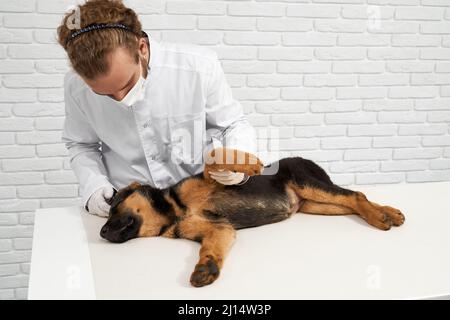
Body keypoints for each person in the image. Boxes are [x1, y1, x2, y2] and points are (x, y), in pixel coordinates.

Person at [57, 0, 257, 217]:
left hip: (199, 201)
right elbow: (81, 144)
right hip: (131, 209)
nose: (121, 99)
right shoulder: (76, 87)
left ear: (141, 48)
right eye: (104, 93)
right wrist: (93, 186)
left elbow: (233, 124)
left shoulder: (199, 67)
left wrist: (238, 163)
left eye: (126, 84)